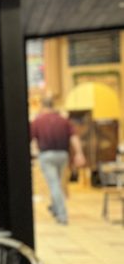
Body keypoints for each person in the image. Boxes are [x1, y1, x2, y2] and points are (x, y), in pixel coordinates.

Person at [30, 95, 86, 225]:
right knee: (58, 184)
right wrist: (79, 153)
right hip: (63, 155)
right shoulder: (63, 120)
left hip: (47, 155)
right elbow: (74, 137)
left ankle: (62, 215)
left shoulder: (38, 121)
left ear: (42, 106)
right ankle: (55, 208)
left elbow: (30, 139)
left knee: (54, 184)